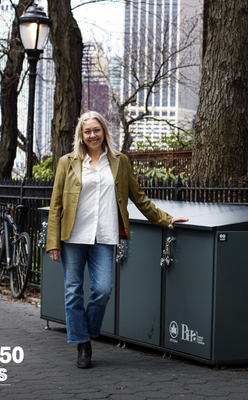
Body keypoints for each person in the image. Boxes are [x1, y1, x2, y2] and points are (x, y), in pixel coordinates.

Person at [46, 111, 188, 369]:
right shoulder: (68, 162)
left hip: (104, 236)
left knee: (103, 290)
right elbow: (56, 204)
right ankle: (83, 344)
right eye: (87, 131)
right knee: (72, 292)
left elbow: (139, 197)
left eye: (96, 130)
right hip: (73, 237)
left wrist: (164, 219)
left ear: (104, 132)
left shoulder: (119, 161)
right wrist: (53, 241)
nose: (92, 135)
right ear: (81, 135)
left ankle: (85, 331)